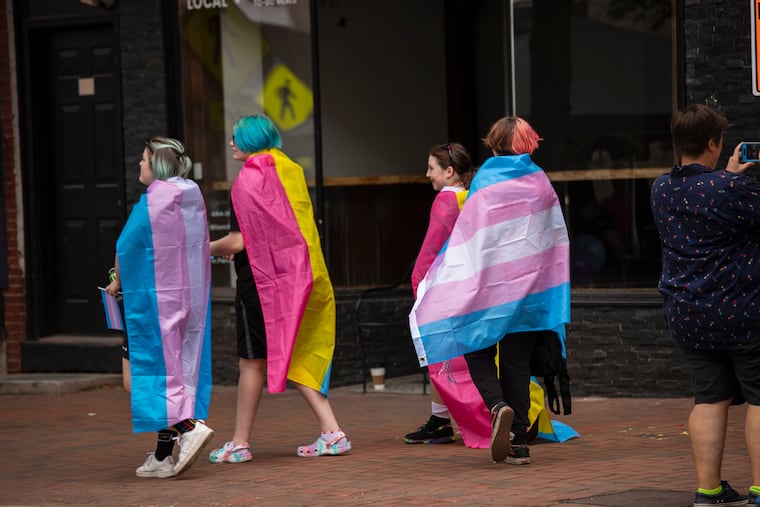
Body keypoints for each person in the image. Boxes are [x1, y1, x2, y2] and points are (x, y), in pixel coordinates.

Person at [408, 116, 571, 465]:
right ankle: (519, 445)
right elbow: (554, 237)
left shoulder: (486, 179)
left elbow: (472, 236)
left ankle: (498, 406)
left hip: (492, 288)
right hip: (531, 291)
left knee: (475, 348)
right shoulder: (541, 181)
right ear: (528, 144)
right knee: (517, 363)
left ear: (495, 145)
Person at [208, 114, 351, 463]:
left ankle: (239, 444)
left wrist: (202, 248)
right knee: (294, 352)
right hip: (297, 278)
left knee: (252, 361)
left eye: (235, 137)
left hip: (261, 284)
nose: (231, 143)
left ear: (250, 141)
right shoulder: (289, 169)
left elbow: (239, 241)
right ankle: (332, 433)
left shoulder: (247, 181)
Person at [650, 103, 760, 507]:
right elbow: (727, 204)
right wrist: (732, 180)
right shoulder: (732, 190)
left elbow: (705, 205)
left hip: (689, 313)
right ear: (715, 143)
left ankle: (708, 491)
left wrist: (728, 177)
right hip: (745, 311)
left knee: (710, 398)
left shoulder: (661, 189)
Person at [105, 137, 214, 479]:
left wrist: (117, 282)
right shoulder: (190, 195)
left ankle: (187, 427)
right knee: (173, 374)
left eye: (143, 160)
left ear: (158, 164)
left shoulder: (152, 202)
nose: (140, 165)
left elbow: (126, 246)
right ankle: (164, 455)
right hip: (189, 301)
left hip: (154, 303)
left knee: (138, 377)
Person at [403, 143, 492, 447]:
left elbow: (430, 250)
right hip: (474, 286)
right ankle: (446, 418)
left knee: (438, 353)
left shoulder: (444, 200)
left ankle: (441, 420)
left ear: (449, 171)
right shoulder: (473, 196)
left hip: (444, 288)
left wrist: (419, 289)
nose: (427, 174)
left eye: (432, 168)